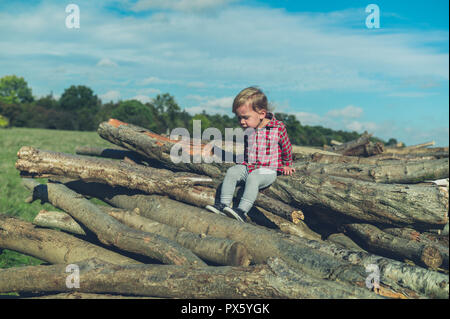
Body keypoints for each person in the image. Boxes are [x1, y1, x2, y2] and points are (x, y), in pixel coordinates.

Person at [206, 87, 295, 222]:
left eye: (245, 117)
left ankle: (242, 211)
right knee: (232, 171)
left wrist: (287, 164)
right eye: (239, 118)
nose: (242, 122)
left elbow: (286, 147)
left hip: (268, 170)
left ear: (262, 114)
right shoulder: (249, 128)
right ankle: (223, 205)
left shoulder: (278, 128)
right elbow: (249, 148)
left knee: (253, 178)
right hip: (250, 165)